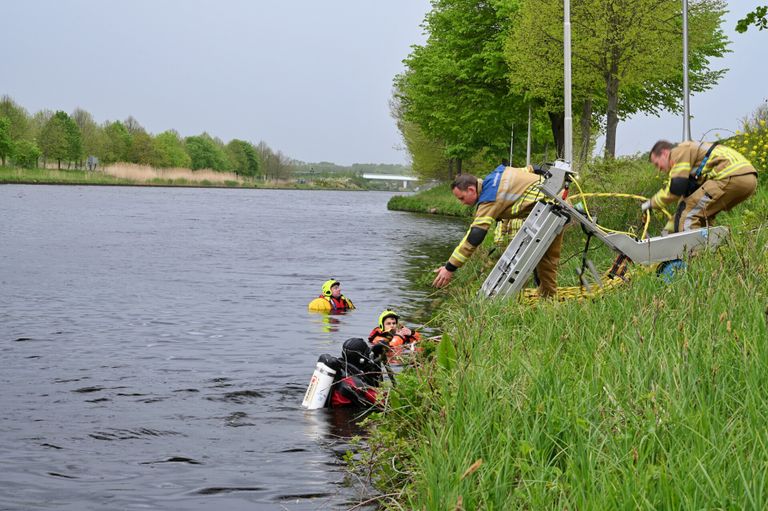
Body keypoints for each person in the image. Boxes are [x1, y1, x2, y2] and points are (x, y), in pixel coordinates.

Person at [432, 164, 563, 297]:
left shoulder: (490, 197)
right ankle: (547, 295)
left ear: (471, 189)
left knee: (545, 259)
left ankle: (548, 297)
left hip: (552, 210)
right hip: (554, 202)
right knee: (544, 259)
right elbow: (529, 169)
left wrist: (450, 268)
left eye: (462, 198)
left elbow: (474, 236)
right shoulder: (498, 174)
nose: (462, 202)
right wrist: (538, 169)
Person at [644, 140, 758, 232]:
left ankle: (693, 253)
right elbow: (687, 198)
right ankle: (709, 249)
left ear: (665, 153)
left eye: (657, 164)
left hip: (729, 175)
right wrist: (669, 229)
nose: (659, 169)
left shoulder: (678, 151)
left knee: (687, 215)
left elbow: (676, 189)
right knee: (702, 215)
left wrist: (650, 203)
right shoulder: (694, 154)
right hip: (749, 178)